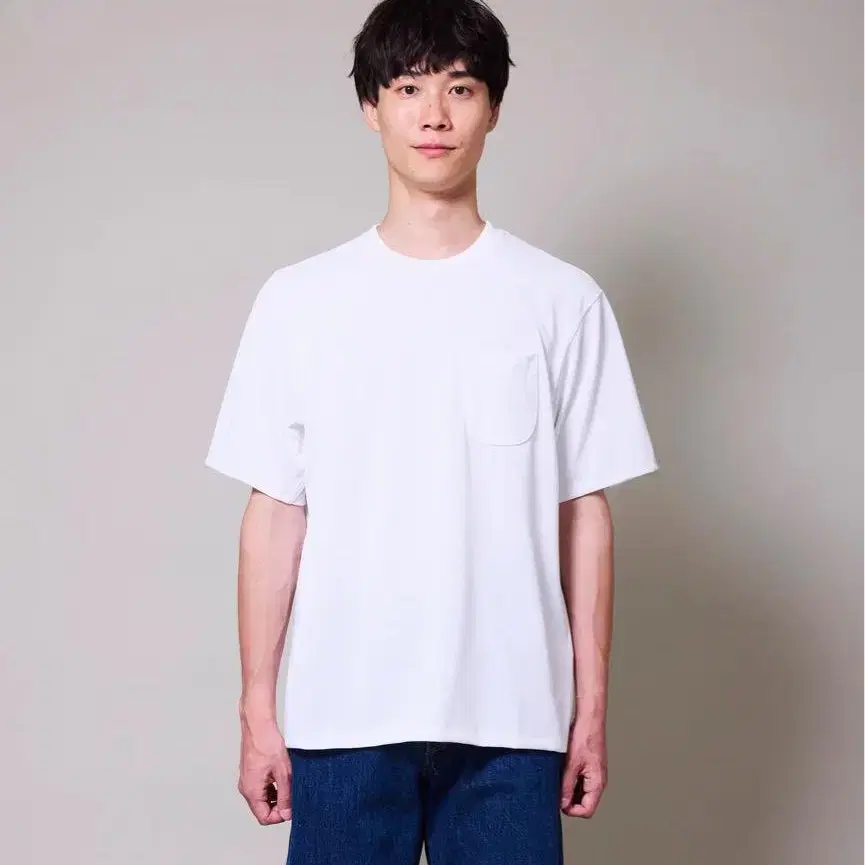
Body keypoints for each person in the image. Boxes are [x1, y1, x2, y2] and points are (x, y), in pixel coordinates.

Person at [204, 0, 658, 862]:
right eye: (408, 88)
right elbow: (274, 511)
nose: (435, 115)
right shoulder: (300, 301)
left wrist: (590, 709)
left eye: (460, 88)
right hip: (343, 713)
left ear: (494, 108)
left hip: (512, 717)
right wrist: (257, 705)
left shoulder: (560, 300)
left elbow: (582, 514)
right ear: (370, 106)